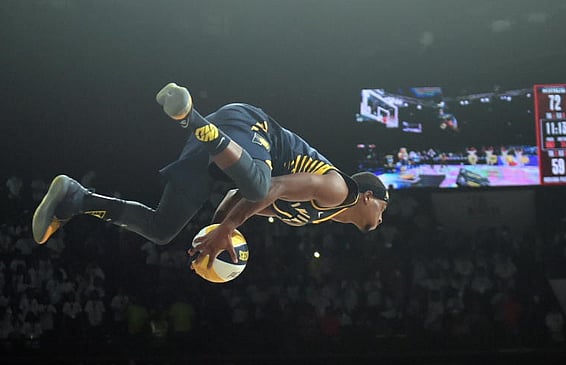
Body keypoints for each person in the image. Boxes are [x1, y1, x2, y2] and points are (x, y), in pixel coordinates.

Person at [31, 83, 390, 268]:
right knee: (263, 183)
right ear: (370, 197)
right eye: (383, 209)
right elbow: (273, 187)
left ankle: (76, 198)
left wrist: (212, 238)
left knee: (161, 229)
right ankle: (190, 118)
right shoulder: (339, 189)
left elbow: (236, 199)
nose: (382, 217)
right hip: (249, 127)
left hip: (223, 154)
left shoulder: (315, 217)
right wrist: (226, 230)